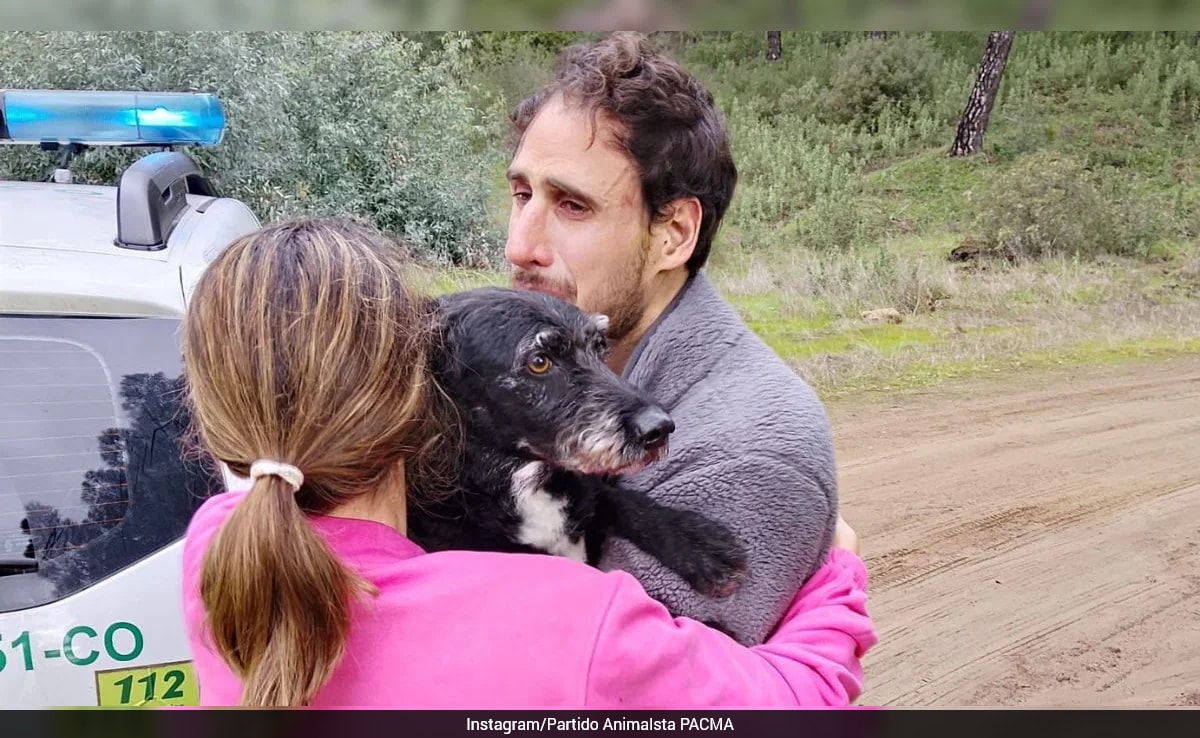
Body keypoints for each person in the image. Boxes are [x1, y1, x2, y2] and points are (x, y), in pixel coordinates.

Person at [178, 217, 876, 708]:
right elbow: (792, 704)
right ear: (419, 391)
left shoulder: (218, 551)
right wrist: (836, 578)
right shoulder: (567, 619)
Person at [504, 31, 845, 644]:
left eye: (572, 205)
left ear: (674, 234)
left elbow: (611, 682)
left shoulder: (748, 455)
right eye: (522, 194)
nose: (520, 246)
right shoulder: (519, 376)